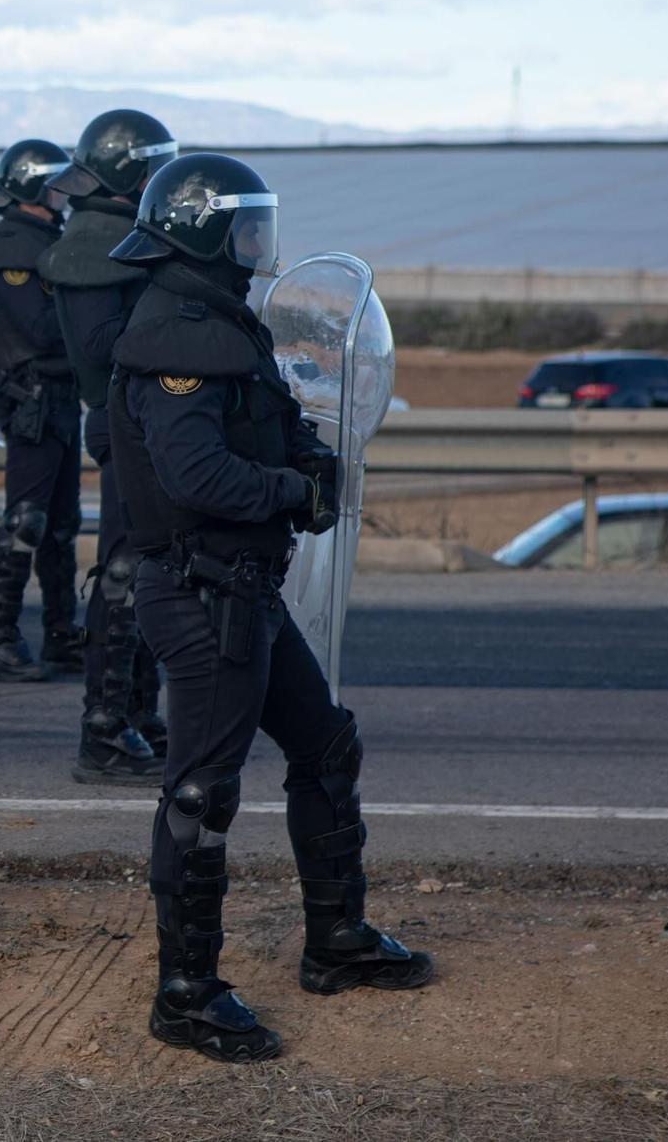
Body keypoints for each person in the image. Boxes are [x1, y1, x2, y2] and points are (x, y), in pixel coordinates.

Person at [107, 151, 433, 1062]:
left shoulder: (215, 321)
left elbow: (267, 414)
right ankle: (186, 993)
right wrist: (295, 492)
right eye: (246, 225)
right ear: (204, 229)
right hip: (200, 588)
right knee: (203, 794)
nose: (258, 241)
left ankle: (336, 941)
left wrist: (312, 453)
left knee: (326, 744)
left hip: (243, 585)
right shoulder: (176, 335)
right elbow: (194, 473)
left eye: (262, 222)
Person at [39, 109, 178, 782]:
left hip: (139, 421)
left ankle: (139, 712)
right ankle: (104, 727)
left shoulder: (114, 233)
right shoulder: (94, 242)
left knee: (149, 569)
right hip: (123, 422)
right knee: (124, 574)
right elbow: (101, 346)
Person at [0, 139, 91, 681]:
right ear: (33, 186)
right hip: (32, 398)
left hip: (62, 399)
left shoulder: (49, 240)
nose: (64, 193)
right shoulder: (11, 248)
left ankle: (62, 634)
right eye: (55, 183)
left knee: (62, 525)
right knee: (26, 521)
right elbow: (39, 331)